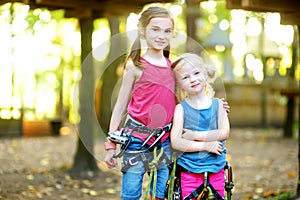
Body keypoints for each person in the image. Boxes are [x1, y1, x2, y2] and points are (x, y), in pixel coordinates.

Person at [104, 5, 176, 200]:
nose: (162, 35)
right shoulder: (135, 66)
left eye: (167, 31)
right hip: (136, 141)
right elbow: (119, 107)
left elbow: (187, 102)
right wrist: (111, 145)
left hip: (164, 142)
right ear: (143, 31)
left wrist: (217, 107)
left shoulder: (174, 69)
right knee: (131, 195)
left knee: (160, 195)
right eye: (155, 29)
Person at [170, 53, 230, 200]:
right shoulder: (181, 109)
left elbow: (223, 132)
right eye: (185, 77)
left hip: (216, 168)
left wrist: (192, 135)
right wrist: (205, 146)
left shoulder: (219, 105)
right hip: (189, 170)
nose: (192, 79)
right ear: (179, 85)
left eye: (196, 73)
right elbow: (176, 142)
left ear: (205, 74)